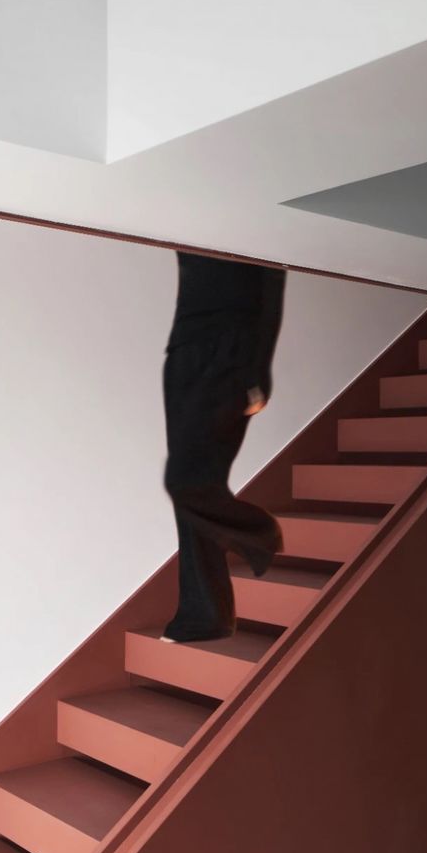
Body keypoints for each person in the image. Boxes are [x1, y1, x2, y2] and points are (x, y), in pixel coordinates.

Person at [160, 250, 286, 643]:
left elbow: (272, 280)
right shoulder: (190, 222)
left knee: (186, 481)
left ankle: (260, 533)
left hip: (230, 352)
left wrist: (259, 369)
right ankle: (205, 616)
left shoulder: (250, 224)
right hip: (183, 349)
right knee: (196, 487)